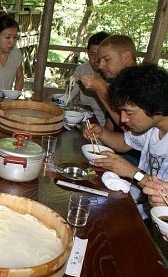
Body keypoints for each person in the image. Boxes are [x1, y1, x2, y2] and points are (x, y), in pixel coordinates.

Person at [83, 64, 168, 218]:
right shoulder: (153, 128)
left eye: (129, 113)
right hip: (137, 208)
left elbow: (163, 197)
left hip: (151, 225)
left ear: (156, 107)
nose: (123, 119)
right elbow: (124, 143)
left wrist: (132, 172)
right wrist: (102, 133)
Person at [80, 35, 137, 126]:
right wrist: (101, 133)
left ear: (126, 57)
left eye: (107, 59)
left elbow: (132, 132)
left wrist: (101, 89)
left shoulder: (142, 85)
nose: (100, 66)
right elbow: (110, 125)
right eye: (100, 60)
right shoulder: (119, 83)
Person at [69, 31, 110, 126]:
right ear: (87, 53)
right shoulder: (82, 69)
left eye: (100, 55)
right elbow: (70, 96)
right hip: (84, 121)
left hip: (105, 125)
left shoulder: (113, 74)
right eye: (92, 54)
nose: (96, 59)